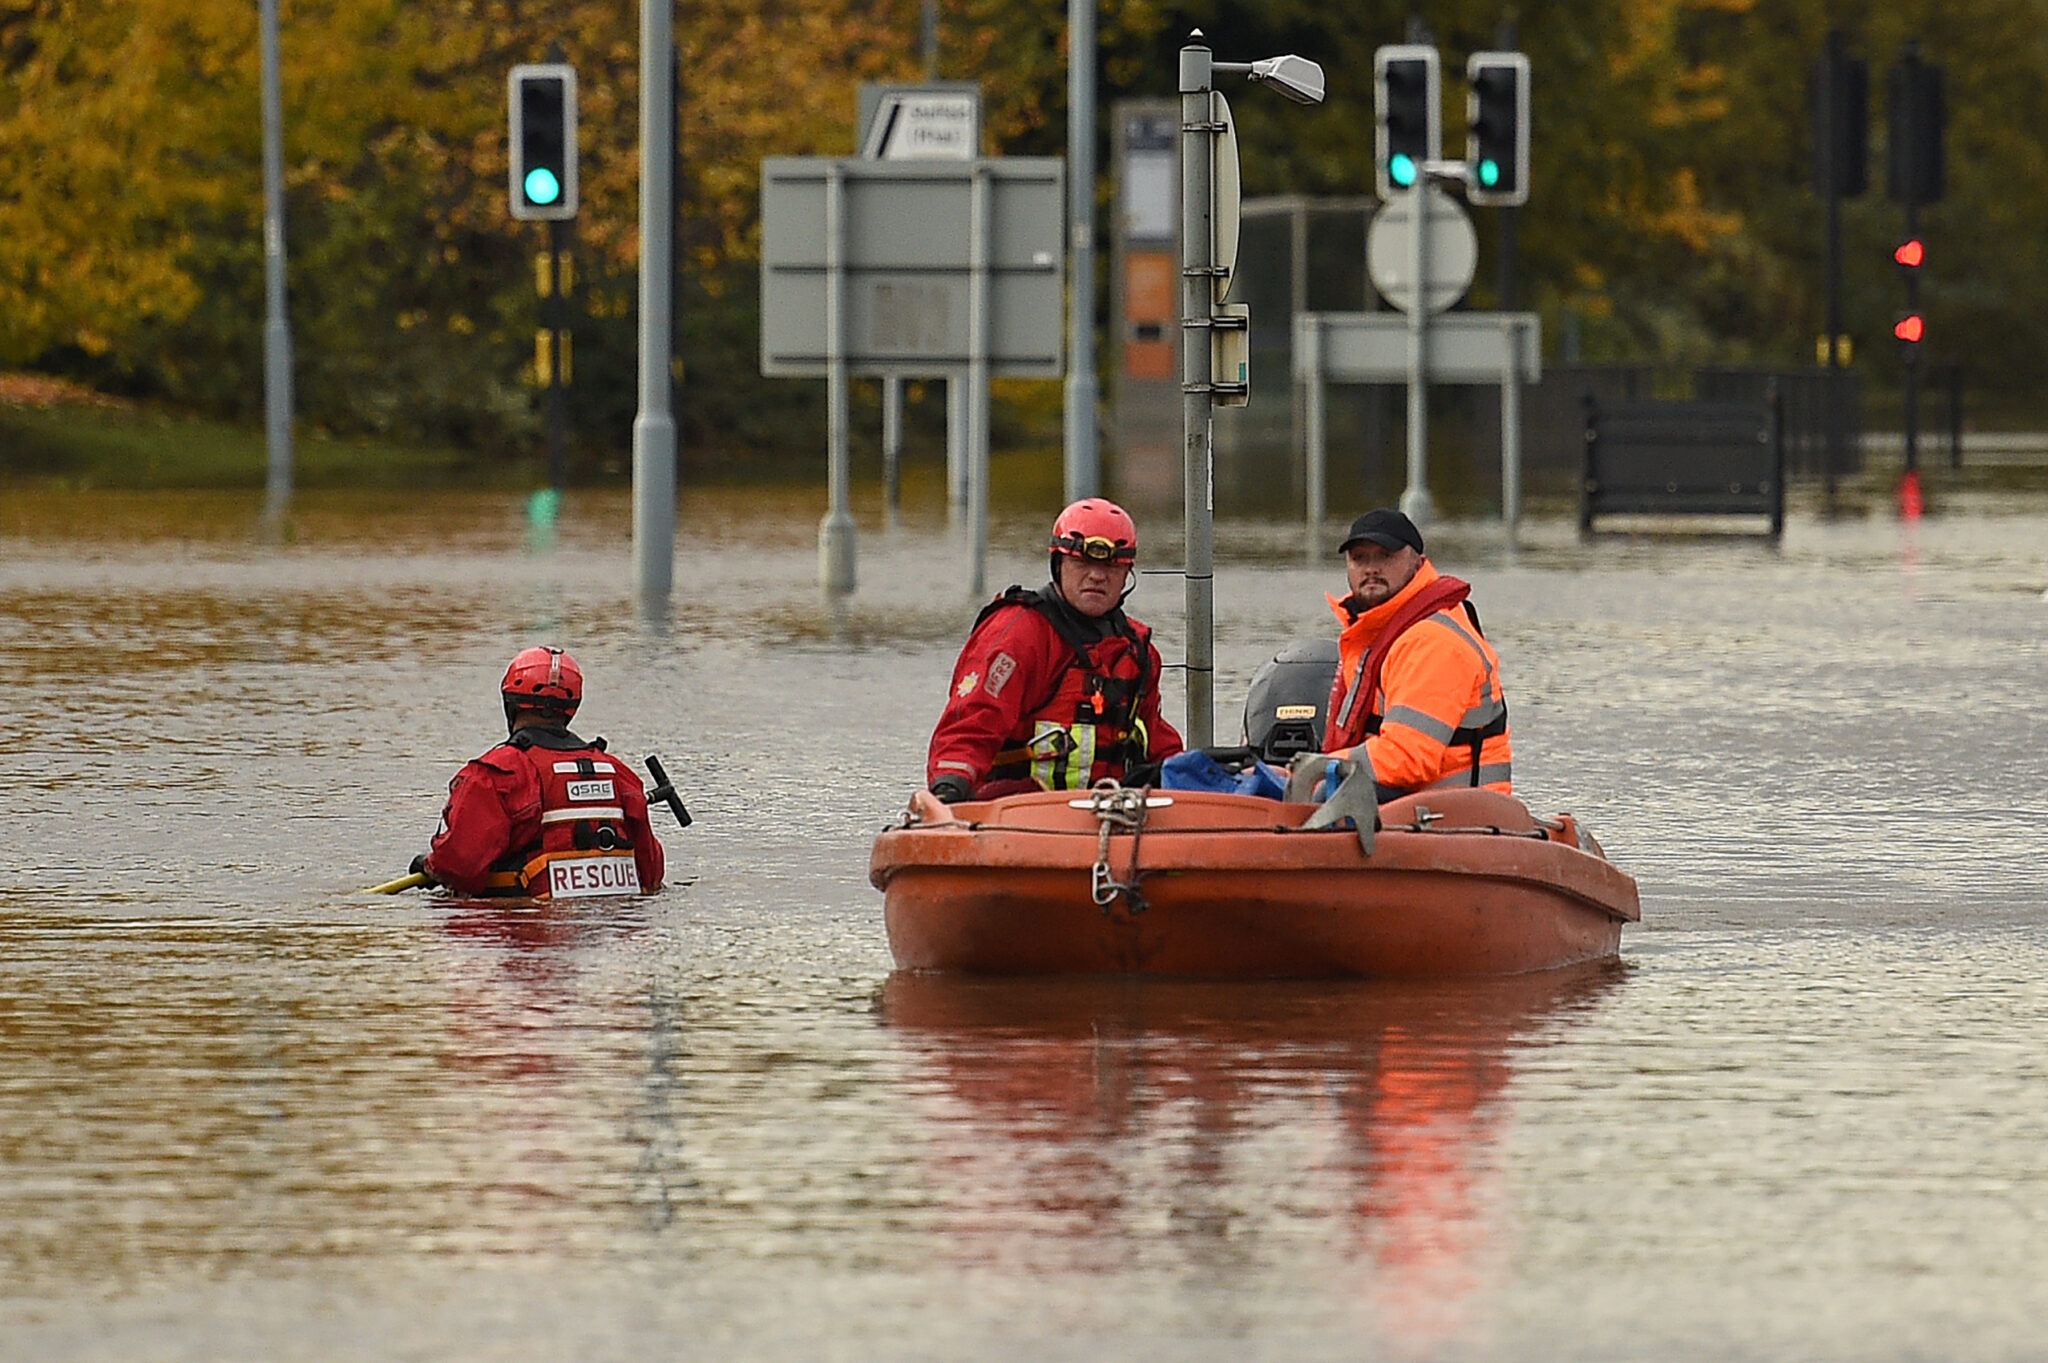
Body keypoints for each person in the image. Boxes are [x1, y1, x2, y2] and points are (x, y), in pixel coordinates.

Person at [927, 498, 1185, 802]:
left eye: (1111, 566)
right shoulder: (1019, 635)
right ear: (1059, 565)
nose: (1097, 576)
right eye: (1083, 563)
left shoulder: (1137, 652)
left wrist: (1199, 778)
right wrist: (949, 789)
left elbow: (1155, 740)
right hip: (1017, 813)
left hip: (1110, 813)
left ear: (1127, 572)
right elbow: (972, 722)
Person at [413, 646, 665, 898]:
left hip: (528, 927)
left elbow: (460, 865)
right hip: (612, 926)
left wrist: (430, 866)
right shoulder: (617, 772)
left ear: (510, 704)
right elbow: (651, 873)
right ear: (571, 707)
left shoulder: (496, 774)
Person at [1318, 509, 1512, 802]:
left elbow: (1408, 759)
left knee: (1323, 792)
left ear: (1418, 563)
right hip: (1413, 807)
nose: (1371, 568)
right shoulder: (1375, 634)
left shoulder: (1433, 641)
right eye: (1360, 558)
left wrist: (1315, 770)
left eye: (1385, 556)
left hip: (1459, 813)